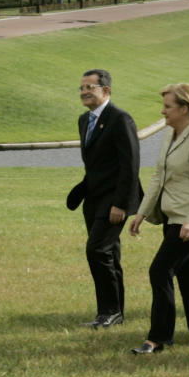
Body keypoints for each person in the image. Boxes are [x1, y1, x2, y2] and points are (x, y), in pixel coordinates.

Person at [128, 83, 189, 354]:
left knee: (160, 270)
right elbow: (158, 176)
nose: (163, 111)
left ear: (185, 108)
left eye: (168, 106)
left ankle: (158, 338)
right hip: (173, 217)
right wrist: (141, 213)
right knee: (187, 275)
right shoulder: (170, 135)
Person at [66, 69, 142, 329]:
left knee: (97, 250)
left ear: (106, 91)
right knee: (109, 253)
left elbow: (130, 165)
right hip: (94, 200)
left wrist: (121, 203)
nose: (85, 91)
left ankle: (109, 312)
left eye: (91, 87)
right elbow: (96, 164)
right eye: (82, 87)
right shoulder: (83, 120)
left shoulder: (120, 119)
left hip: (114, 201)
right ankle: (113, 312)